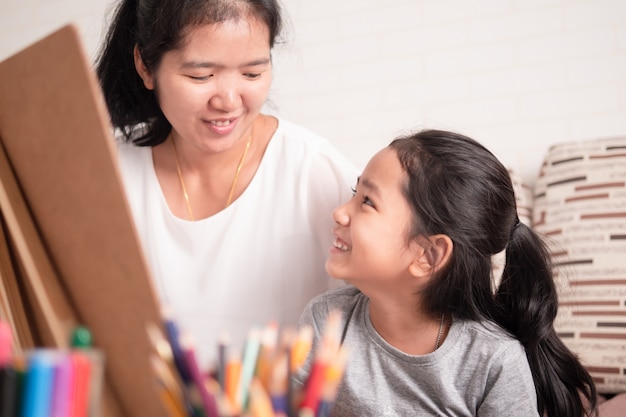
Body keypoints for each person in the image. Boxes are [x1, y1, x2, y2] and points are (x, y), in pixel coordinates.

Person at [94, 0, 357, 368]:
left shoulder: (313, 172)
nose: (229, 101)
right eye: (201, 77)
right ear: (145, 65)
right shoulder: (108, 174)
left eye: (252, 74)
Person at [295, 129, 598, 417]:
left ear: (428, 255)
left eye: (367, 202)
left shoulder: (492, 361)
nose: (339, 212)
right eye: (354, 192)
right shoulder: (326, 321)